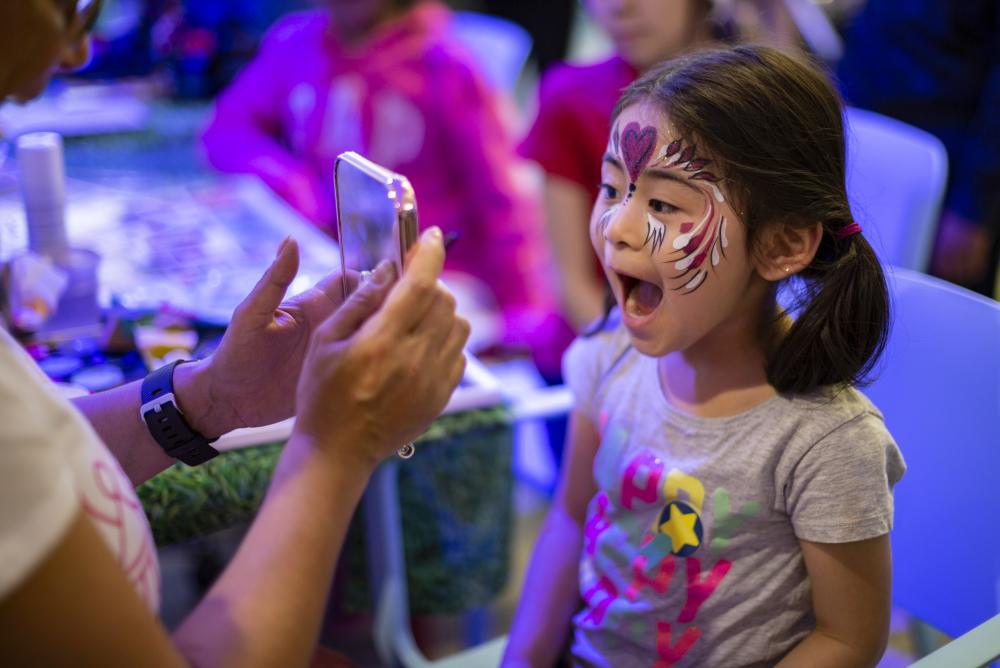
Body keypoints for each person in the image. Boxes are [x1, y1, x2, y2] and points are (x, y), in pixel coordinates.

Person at [0, 2, 470, 665]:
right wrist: (335, 448)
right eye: (68, 8)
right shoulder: (296, 44)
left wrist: (210, 397)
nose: (78, 52)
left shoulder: (446, 68)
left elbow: (35, 454)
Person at [503, 46, 906, 666]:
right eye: (612, 187)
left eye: (662, 205)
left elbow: (849, 639)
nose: (616, 225)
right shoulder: (610, 354)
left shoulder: (826, 441)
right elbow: (569, 515)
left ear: (782, 245)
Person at [200, 0, 558, 369]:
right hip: (325, 259)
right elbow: (225, 130)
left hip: (432, 271)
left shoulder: (444, 64)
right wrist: (289, 178)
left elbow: (502, 197)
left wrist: (525, 309)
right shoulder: (295, 43)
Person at [519, 0, 799, 335]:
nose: (617, 8)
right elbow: (572, 285)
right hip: (609, 338)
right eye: (610, 190)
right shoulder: (570, 95)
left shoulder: (756, 101)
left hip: (726, 348)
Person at [837, 0, 1000, 295]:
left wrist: (973, 210)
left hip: (954, 163)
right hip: (867, 143)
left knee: (936, 312)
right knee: (857, 294)